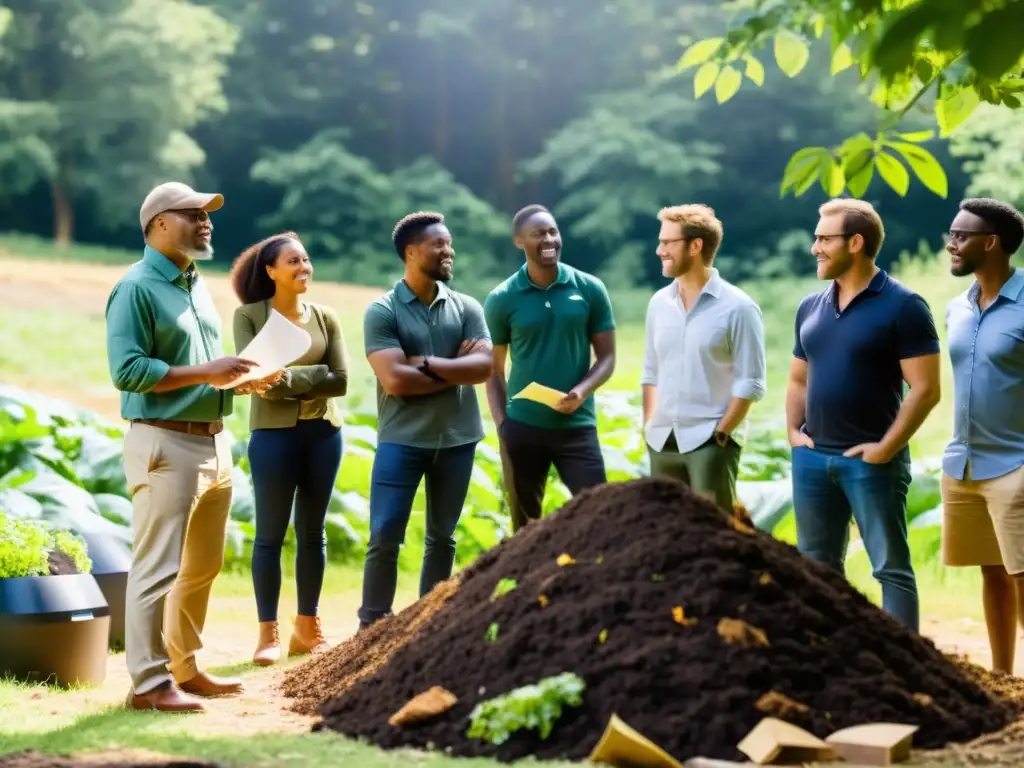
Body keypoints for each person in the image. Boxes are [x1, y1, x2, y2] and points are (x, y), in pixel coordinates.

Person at [106, 182, 279, 712]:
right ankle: (149, 684)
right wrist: (209, 370)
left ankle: (184, 667)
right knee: (156, 568)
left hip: (213, 442)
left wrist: (235, 381)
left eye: (207, 215)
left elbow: (196, 372)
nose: (206, 221)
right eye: (193, 214)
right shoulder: (135, 288)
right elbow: (128, 371)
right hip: (164, 445)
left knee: (201, 567)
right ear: (159, 222)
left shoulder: (193, 283)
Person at [786, 197, 941, 633]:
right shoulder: (810, 307)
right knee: (817, 570)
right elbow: (798, 379)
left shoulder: (905, 306)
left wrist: (885, 449)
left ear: (855, 242)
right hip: (813, 459)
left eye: (823, 238)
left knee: (890, 569)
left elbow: (926, 389)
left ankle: (906, 669)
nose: (814, 247)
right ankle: (834, 663)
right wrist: (792, 434)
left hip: (871, 463)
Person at [358, 211, 493, 629]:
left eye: (449, 244)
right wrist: (455, 366)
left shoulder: (467, 306)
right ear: (412, 252)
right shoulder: (382, 311)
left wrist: (427, 363)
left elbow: (484, 367)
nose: (448, 251)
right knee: (384, 535)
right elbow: (395, 381)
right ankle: (373, 623)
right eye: (439, 245)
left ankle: (429, 622)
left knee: (443, 538)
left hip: (458, 439)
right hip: (402, 439)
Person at [230, 231, 349, 666]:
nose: (304, 268)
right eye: (293, 262)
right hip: (273, 438)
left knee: (313, 534)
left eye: (306, 260)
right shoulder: (249, 317)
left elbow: (342, 380)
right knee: (269, 537)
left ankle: (307, 627)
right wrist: (300, 379)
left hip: (324, 433)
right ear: (271, 271)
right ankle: (267, 635)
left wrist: (289, 379)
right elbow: (258, 383)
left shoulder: (326, 316)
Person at [484, 205, 616, 532]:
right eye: (538, 233)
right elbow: (493, 370)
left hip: (577, 426)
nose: (549, 239)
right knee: (525, 527)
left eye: (553, 232)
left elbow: (608, 357)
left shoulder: (589, 288)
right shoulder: (502, 298)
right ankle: (528, 584)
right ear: (519, 242)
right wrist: (504, 426)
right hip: (523, 429)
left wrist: (581, 392)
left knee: (599, 515)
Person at [940, 197, 1024, 673]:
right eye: (951, 235)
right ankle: (1003, 677)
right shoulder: (957, 307)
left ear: (991, 243)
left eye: (961, 236)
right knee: (991, 574)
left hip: (1017, 463)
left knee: (1022, 575)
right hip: (964, 464)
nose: (951, 244)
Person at [641, 204, 767, 511]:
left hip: (710, 443)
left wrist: (722, 432)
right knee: (666, 535)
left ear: (695, 245)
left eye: (668, 243)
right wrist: (648, 424)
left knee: (714, 538)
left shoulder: (739, 308)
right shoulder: (659, 303)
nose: (660, 250)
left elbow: (750, 382)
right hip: (661, 441)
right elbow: (650, 372)